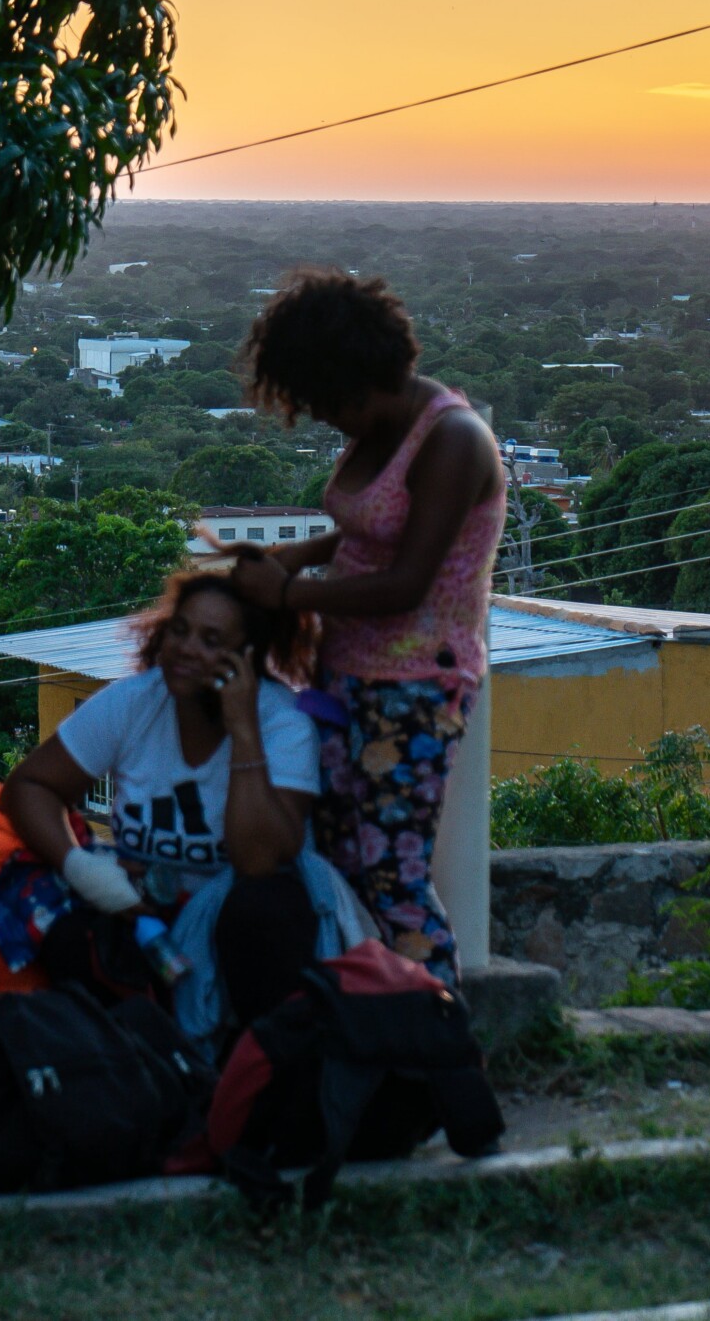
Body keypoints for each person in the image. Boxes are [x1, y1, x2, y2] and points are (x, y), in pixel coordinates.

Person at [222, 269, 507, 985]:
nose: (323, 418)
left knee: (392, 876)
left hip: (415, 686)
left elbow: (408, 582)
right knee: (338, 860)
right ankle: (365, 1012)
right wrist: (301, 555)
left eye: (324, 402)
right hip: (344, 674)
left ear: (356, 379)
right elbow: (373, 530)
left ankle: (436, 1025)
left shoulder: (452, 439)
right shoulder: (382, 426)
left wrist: (288, 592)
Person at [0, 571, 323, 1029]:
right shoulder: (134, 701)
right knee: (69, 936)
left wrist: (244, 731)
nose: (186, 648)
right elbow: (29, 787)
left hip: (241, 923)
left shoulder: (283, 723)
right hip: (144, 912)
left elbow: (257, 861)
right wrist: (83, 868)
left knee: (260, 912)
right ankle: (132, 1061)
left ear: (248, 657)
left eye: (211, 641)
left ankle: (254, 1064)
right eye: (179, 630)